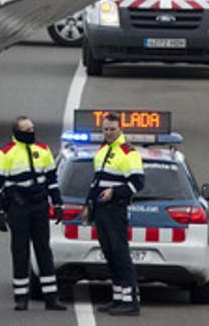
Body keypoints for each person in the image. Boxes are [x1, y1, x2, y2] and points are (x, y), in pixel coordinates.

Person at [0, 116, 68, 312]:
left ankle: (51, 297)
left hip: (40, 206)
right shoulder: (6, 153)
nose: (31, 132)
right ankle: (21, 297)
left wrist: (57, 204)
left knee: (44, 251)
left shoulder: (42, 149)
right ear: (17, 132)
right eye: (26, 130)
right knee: (20, 251)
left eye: (32, 128)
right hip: (18, 208)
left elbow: (52, 180)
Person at [82, 112, 145, 317]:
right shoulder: (102, 150)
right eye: (106, 129)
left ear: (120, 130)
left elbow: (137, 183)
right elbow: (96, 182)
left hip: (116, 209)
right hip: (101, 210)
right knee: (109, 253)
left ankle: (131, 301)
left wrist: (114, 192)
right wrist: (87, 205)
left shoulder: (128, 153)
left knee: (120, 253)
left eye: (112, 129)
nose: (108, 133)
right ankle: (118, 298)